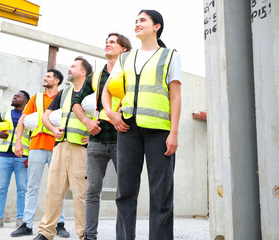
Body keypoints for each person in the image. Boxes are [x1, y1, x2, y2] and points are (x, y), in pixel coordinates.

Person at [102, 10, 182, 240]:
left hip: (159, 132)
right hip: (128, 130)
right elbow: (106, 91)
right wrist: (110, 114)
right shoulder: (125, 58)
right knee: (125, 192)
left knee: (161, 193)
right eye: (136, 21)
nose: (137, 24)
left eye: (142, 20)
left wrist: (173, 133)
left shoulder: (169, 56)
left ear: (156, 26)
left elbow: (175, 97)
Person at [71, 33, 132, 240]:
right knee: (92, 191)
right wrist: (87, 122)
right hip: (96, 140)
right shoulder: (95, 77)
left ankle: (122, 236)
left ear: (124, 48)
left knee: (124, 193)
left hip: (122, 139)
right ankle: (89, 236)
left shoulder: (130, 72)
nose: (108, 43)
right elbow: (76, 102)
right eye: (107, 41)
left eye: (113, 41)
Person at [33, 56, 93, 240]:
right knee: (53, 192)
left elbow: (102, 117)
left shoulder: (93, 95)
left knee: (81, 194)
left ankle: (84, 234)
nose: (69, 68)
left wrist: (91, 136)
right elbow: (45, 117)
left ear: (83, 72)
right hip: (60, 148)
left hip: (81, 150)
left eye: (73, 66)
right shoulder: (64, 93)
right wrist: (53, 129)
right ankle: (45, 232)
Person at [10, 69, 70, 238]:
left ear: (57, 81)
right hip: (36, 145)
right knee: (32, 187)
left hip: (57, 146)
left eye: (49, 76)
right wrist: (18, 142)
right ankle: (27, 224)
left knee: (59, 187)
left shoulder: (64, 97)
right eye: (44, 76)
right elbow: (23, 119)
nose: (45, 78)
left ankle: (60, 224)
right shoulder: (36, 98)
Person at [0, 90, 31, 230]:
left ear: (25, 101)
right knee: (1, 188)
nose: (14, 97)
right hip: (5, 156)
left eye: (18, 96)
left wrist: (30, 156)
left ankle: (20, 219)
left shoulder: (31, 117)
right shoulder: (4, 114)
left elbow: (34, 137)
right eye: (14, 96)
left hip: (22, 157)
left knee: (22, 189)